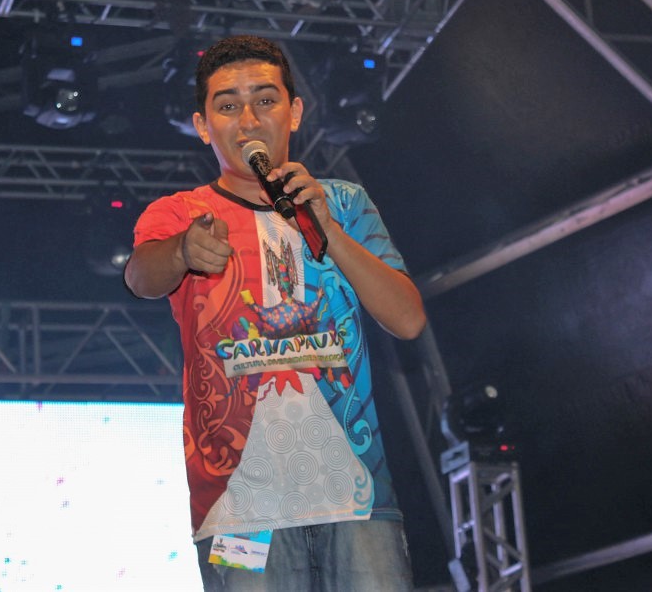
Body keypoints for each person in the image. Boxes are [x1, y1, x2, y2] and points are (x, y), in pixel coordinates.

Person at [125, 35, 427, 591]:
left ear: (295, 112)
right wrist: (183, 250)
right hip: (239, 513)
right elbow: (141, 277)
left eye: (265, 100)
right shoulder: (181, 213)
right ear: (202, 125)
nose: (248, 120)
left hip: (357, 501)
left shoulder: (344, 203)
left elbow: (408, 320)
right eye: (228, 105)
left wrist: (328, 231)